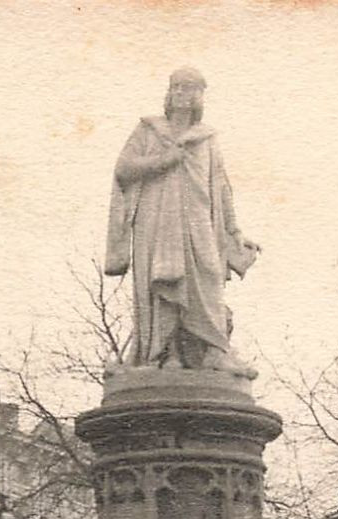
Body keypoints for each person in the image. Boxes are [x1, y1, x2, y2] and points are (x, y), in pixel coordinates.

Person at [106, 67, 261, 369]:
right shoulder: (148, 130)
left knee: (207, 282)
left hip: (199, 222)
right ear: (169, 92)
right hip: (156, 222)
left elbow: (221, 186)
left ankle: (214, 351)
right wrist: (163, 161)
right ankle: (163, 353)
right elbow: (124, 168)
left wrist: (234, 231)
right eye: (177, 86)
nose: (182, 93)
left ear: (200, 96)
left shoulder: (207, 139)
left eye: (190, 88)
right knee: (161, 285)